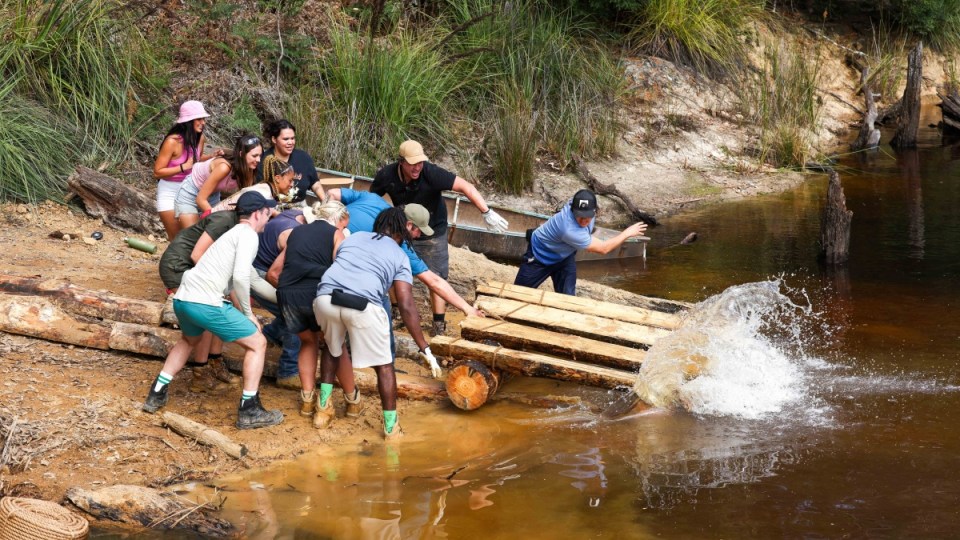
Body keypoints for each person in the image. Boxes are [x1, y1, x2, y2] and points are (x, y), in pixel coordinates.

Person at [142, 191, 284, 430]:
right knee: (257, 343)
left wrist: (281, 301)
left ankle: (156, 393)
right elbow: (240, 278)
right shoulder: (248, 234)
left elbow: (248, 281)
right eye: (267, 212)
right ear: (257, 213)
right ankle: (249, 410)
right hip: (204, 302)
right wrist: (249, 315)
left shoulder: (232, 234)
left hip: (183, 299)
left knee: (189, 340)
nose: (269, 217)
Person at [312, 207, 438, 438]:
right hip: (362, 306)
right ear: (403, 230)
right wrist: (424, 346)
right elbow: (406, 304)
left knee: (332, 347)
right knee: (384, 366)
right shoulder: (400, 255)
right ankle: (391, 428)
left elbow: (339, 266)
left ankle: (322, 410)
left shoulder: (355, 237)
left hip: (324, 299)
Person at [370, 140, 508, 337]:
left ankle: (438, 324)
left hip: (432, 229)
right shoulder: (387, 175)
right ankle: (396, 312)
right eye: (412, 164)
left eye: (420, 162)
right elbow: (372, 199)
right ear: (401, 162)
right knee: (392, 269)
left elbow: (465, 186)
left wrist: (486, 212)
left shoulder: (430, 173)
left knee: (436, 275)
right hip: (403, 228)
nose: (417, 167)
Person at [325, 187, 485, 331]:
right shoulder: (398, 244)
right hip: (332, 259)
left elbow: (332, 193)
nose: (419, 236)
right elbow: (433, 281)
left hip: (316, 238)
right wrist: (467, 308)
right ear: (408, 225)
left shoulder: (374, 199)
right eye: (419, 231)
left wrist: (328, 221)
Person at [271, 200, 355, 427]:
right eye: (344, 225)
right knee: (335, 346)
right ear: (338, 219)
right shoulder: (337, 235)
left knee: (307, 342)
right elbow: (342, 271)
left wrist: (289, 291)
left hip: (288, 294)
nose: (344, 229)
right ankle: (352, 400)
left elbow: (273, 272)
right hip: (318, 294)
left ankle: (307, 401)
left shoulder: (295, 233)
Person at [157, 207, 241, 392]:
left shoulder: (239, 228)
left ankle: (214, 362)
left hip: (191, 268)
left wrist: (236, 300)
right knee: (205, 315)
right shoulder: (225, 221)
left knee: (216, 306)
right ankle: (200, 374)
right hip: (178, 266)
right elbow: (197, 255)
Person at [514, 189, 648, 295]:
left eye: (588, 216)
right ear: (573, 210)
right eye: (580, 216)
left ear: (596, 210)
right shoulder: (568, 229)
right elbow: (603, 249)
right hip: (540, 256)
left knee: (568, 299)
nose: (584, 221)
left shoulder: (580, 202)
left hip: (564, 257)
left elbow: (585, 198)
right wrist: (627, 233)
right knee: (518, 294)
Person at [251, 203, 306, 389]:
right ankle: (288, 371)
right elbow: (273, 275)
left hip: (257, 266)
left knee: (292, 304)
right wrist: (292, 299)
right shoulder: (295, 235)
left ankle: (272, 334)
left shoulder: (295, 214)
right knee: (297, 313)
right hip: (259, 273)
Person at [153, 100, 221, 240]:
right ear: (189, 121)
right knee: (176, 238)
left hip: (190, 188)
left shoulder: (199, 138)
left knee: (192, 237)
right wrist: (183, 167)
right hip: (169, 190)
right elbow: (157, 172)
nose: (203, 122)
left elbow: (196, 158)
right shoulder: (172, 141)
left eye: (204, 119)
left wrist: (211, 156)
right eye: (199, 119)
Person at [174, 134, 262, 230]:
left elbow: (245, 195)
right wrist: (220, 219)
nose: (258, 160)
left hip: (213, 195)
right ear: (241, 154)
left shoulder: (249, 168)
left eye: (260, 156)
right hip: (190, 193)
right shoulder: (224, 167)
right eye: (254, 156)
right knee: (193, 235)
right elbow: (200, 199)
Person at [254, 119, 319, 204]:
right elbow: (259, 192)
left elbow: (315, 184)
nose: (290, 142)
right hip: (272, 206)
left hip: (299, 206)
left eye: (292, 138)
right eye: (286, 139)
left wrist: (327, 203)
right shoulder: (264, 161)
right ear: (274, 139)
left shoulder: (304, 158)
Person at [211, 155, 297, 213]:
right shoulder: (264, 195)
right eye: (290, 180)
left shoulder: (265, 188)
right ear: (277, 178)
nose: (292, 184)